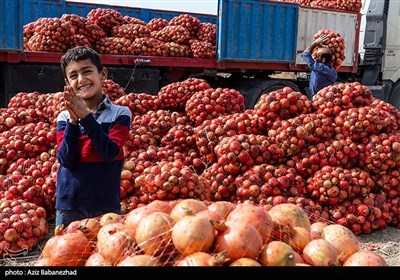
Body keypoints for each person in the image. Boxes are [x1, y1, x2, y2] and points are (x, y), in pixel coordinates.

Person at [55, 46, 132, 228]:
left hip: (106, 207)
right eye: (73, 76)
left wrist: (85, 118)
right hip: (69, 207)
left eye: (87, 71)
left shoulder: (120, 113)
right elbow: (66, 160)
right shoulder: (64, 117)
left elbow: (109, 152)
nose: (81, 80)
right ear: (67, 82)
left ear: (102, 74)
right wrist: (74, 123)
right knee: (65, 254)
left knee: (110, 253)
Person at [301, 34, 338, 98]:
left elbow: (305, 54)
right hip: (323, 99)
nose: (315, 57)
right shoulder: (332, 71)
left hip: (319, 99)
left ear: (323, 60)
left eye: (317, 56)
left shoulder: (320, 68)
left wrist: (315, 43)